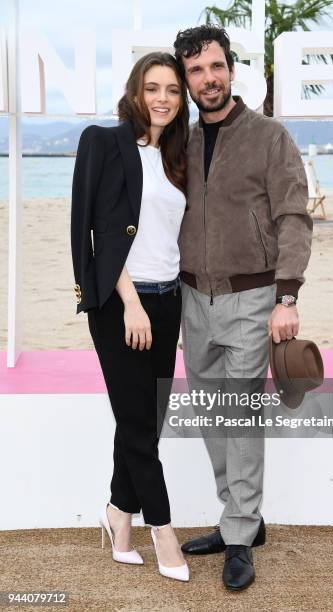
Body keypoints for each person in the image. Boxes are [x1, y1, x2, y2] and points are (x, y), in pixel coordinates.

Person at [173, 26, 313, 591]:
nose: (208, 79)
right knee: (212, 414)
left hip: (254, 299)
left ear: (231, 69)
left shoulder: (269, 136)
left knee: (241, 415)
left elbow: (294, 218)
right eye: (196, 71)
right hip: (191, 299)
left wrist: (286, 296)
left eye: (215, 67)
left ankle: (237, 536)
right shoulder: (176, 142)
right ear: (186, 80)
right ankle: (242, 520)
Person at [70, 52, 190, 582]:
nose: (162, 98)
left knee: (145, 421)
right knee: (140, 426)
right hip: (125, 304)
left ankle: (119, 515)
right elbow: (94, 230)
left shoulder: (176, 156)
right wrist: (131, 305)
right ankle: (162, 530)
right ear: (135, 93)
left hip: (169, 302)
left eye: (171, 89)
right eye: (152, 88)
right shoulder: (105, 142)